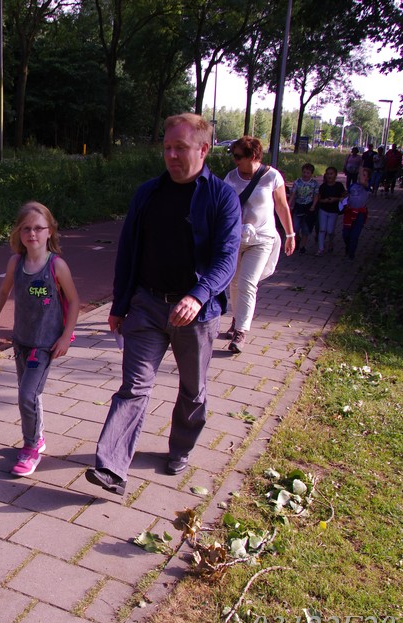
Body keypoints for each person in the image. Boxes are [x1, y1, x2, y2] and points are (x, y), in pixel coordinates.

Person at [84, 113, 241, 495]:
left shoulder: (222, 197)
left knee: (193, 390)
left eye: (180, 148)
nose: (171, 155)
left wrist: (198, 295)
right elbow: (128, 252)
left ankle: (180, 447)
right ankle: (112, 468)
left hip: (197, 314)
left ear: (203, 150)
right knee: (133, 387)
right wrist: (119, 305)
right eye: (167, 147)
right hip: (147, 305)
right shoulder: (147, 193)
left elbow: (227, 257)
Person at [0, 202, 80, 477]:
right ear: (18, 232)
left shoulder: (57, 266)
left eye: (38, 228)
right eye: (26, 228)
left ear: (50, 231)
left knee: (27, 395)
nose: (32, 233)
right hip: (21, 340)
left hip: (45, 344)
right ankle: (38, 436)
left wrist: (66, 337)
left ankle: (31, 446)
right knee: (29, 394)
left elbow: (73, 301)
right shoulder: (16, 262)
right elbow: (3, 292)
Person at [221, 136, 296, 353]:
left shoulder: (272, 176)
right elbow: (223, 208)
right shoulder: (231, 178)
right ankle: (237, 318)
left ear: (253, 156)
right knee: (234, 283)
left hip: (262, 239)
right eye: (234, 156)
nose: (235, 160)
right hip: (236, 239)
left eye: (238, 156)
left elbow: (282, 206)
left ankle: (241, 332)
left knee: (247, 283)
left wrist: (290, 234)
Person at [287, 163, 320, 254]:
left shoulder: (314, 183)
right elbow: (293, 194)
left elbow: (316, 195)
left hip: (308, 207)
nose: (305, 174)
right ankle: (297, 239)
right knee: (295, 227)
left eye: (308, 173)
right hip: (298, 206)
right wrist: (288, 205)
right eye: (304, 172)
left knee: (306, 228)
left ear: (311, 174)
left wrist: (313, 205)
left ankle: (303, 246)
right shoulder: (297, 182)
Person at [315, 166, 347, 256]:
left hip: (333, 211)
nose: (329, 176)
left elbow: (344, 196)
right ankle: (321, 249)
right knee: (322, 229)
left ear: (335, 175)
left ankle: (330, 242)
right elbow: (319, 199)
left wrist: (336, 199)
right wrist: (324, 201)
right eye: (328, 174)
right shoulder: (323, 186)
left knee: (330, 230)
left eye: (331, 174)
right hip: (323, 210)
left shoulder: (339, 186)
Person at [342, 167, 371, 260]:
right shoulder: (353, 185)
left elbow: (362, 181)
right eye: (360, 174)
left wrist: (361, 167)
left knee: (355, 235)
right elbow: (347, 195)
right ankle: (348, 246)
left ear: (367, 178)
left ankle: (351, 253)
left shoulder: (367, 186)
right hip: (349, 212)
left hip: (360, 214)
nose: (361, 176)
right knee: (345, 234)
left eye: (364, 175)